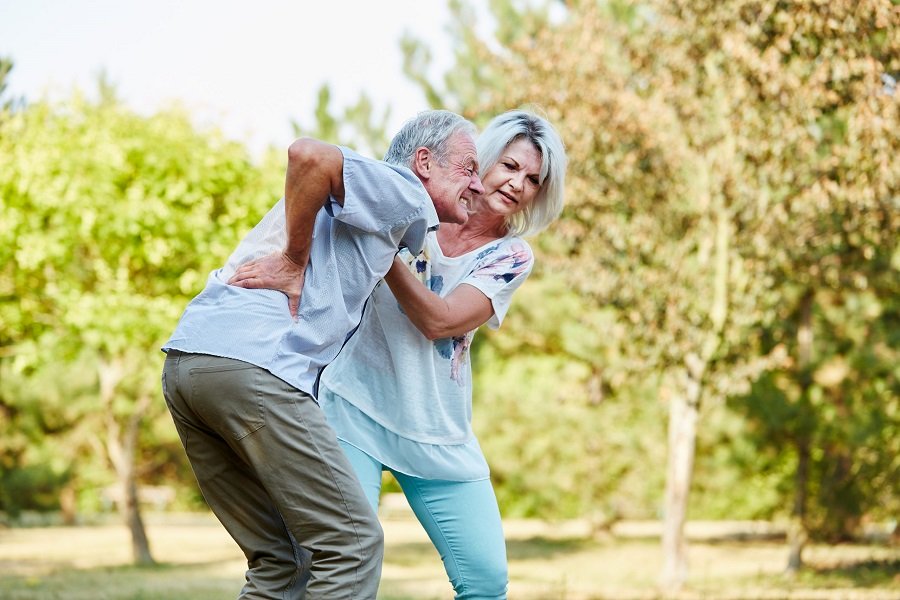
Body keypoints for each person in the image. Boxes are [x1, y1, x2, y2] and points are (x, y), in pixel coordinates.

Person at [161, 109, 484, 600]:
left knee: (280, 561)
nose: (478, 185)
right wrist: (293, 260)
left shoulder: (379, 215)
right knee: (351, 545)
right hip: (254, 370)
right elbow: (308, 155)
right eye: (467, 167)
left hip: (190, 364)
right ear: (423, 162)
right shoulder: (401, 189)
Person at [317, 110, 567, 599]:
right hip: (353, 408)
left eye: (533, 179)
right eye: (510, 166)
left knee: (486, 582)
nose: (518, 184)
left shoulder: (510, 256)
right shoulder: (416, 204)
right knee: (343, 562)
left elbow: (441, 321)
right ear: (483, 160)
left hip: (437, 427)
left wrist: (385, 249)